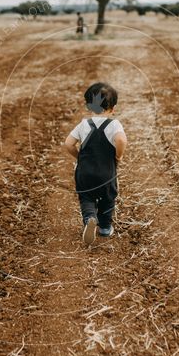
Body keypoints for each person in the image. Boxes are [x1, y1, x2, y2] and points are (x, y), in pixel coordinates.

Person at [63, 82, 127, 244]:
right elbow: (120, 139)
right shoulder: (114, 124)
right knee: (107, 198)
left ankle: (90, 217)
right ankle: (105, 228)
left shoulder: (84, 124)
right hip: (106, 172)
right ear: (113, 108)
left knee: (86, 197)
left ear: (89, 106)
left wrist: (79, 157)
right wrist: (118, 156)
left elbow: (68, 144)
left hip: (84, 172)